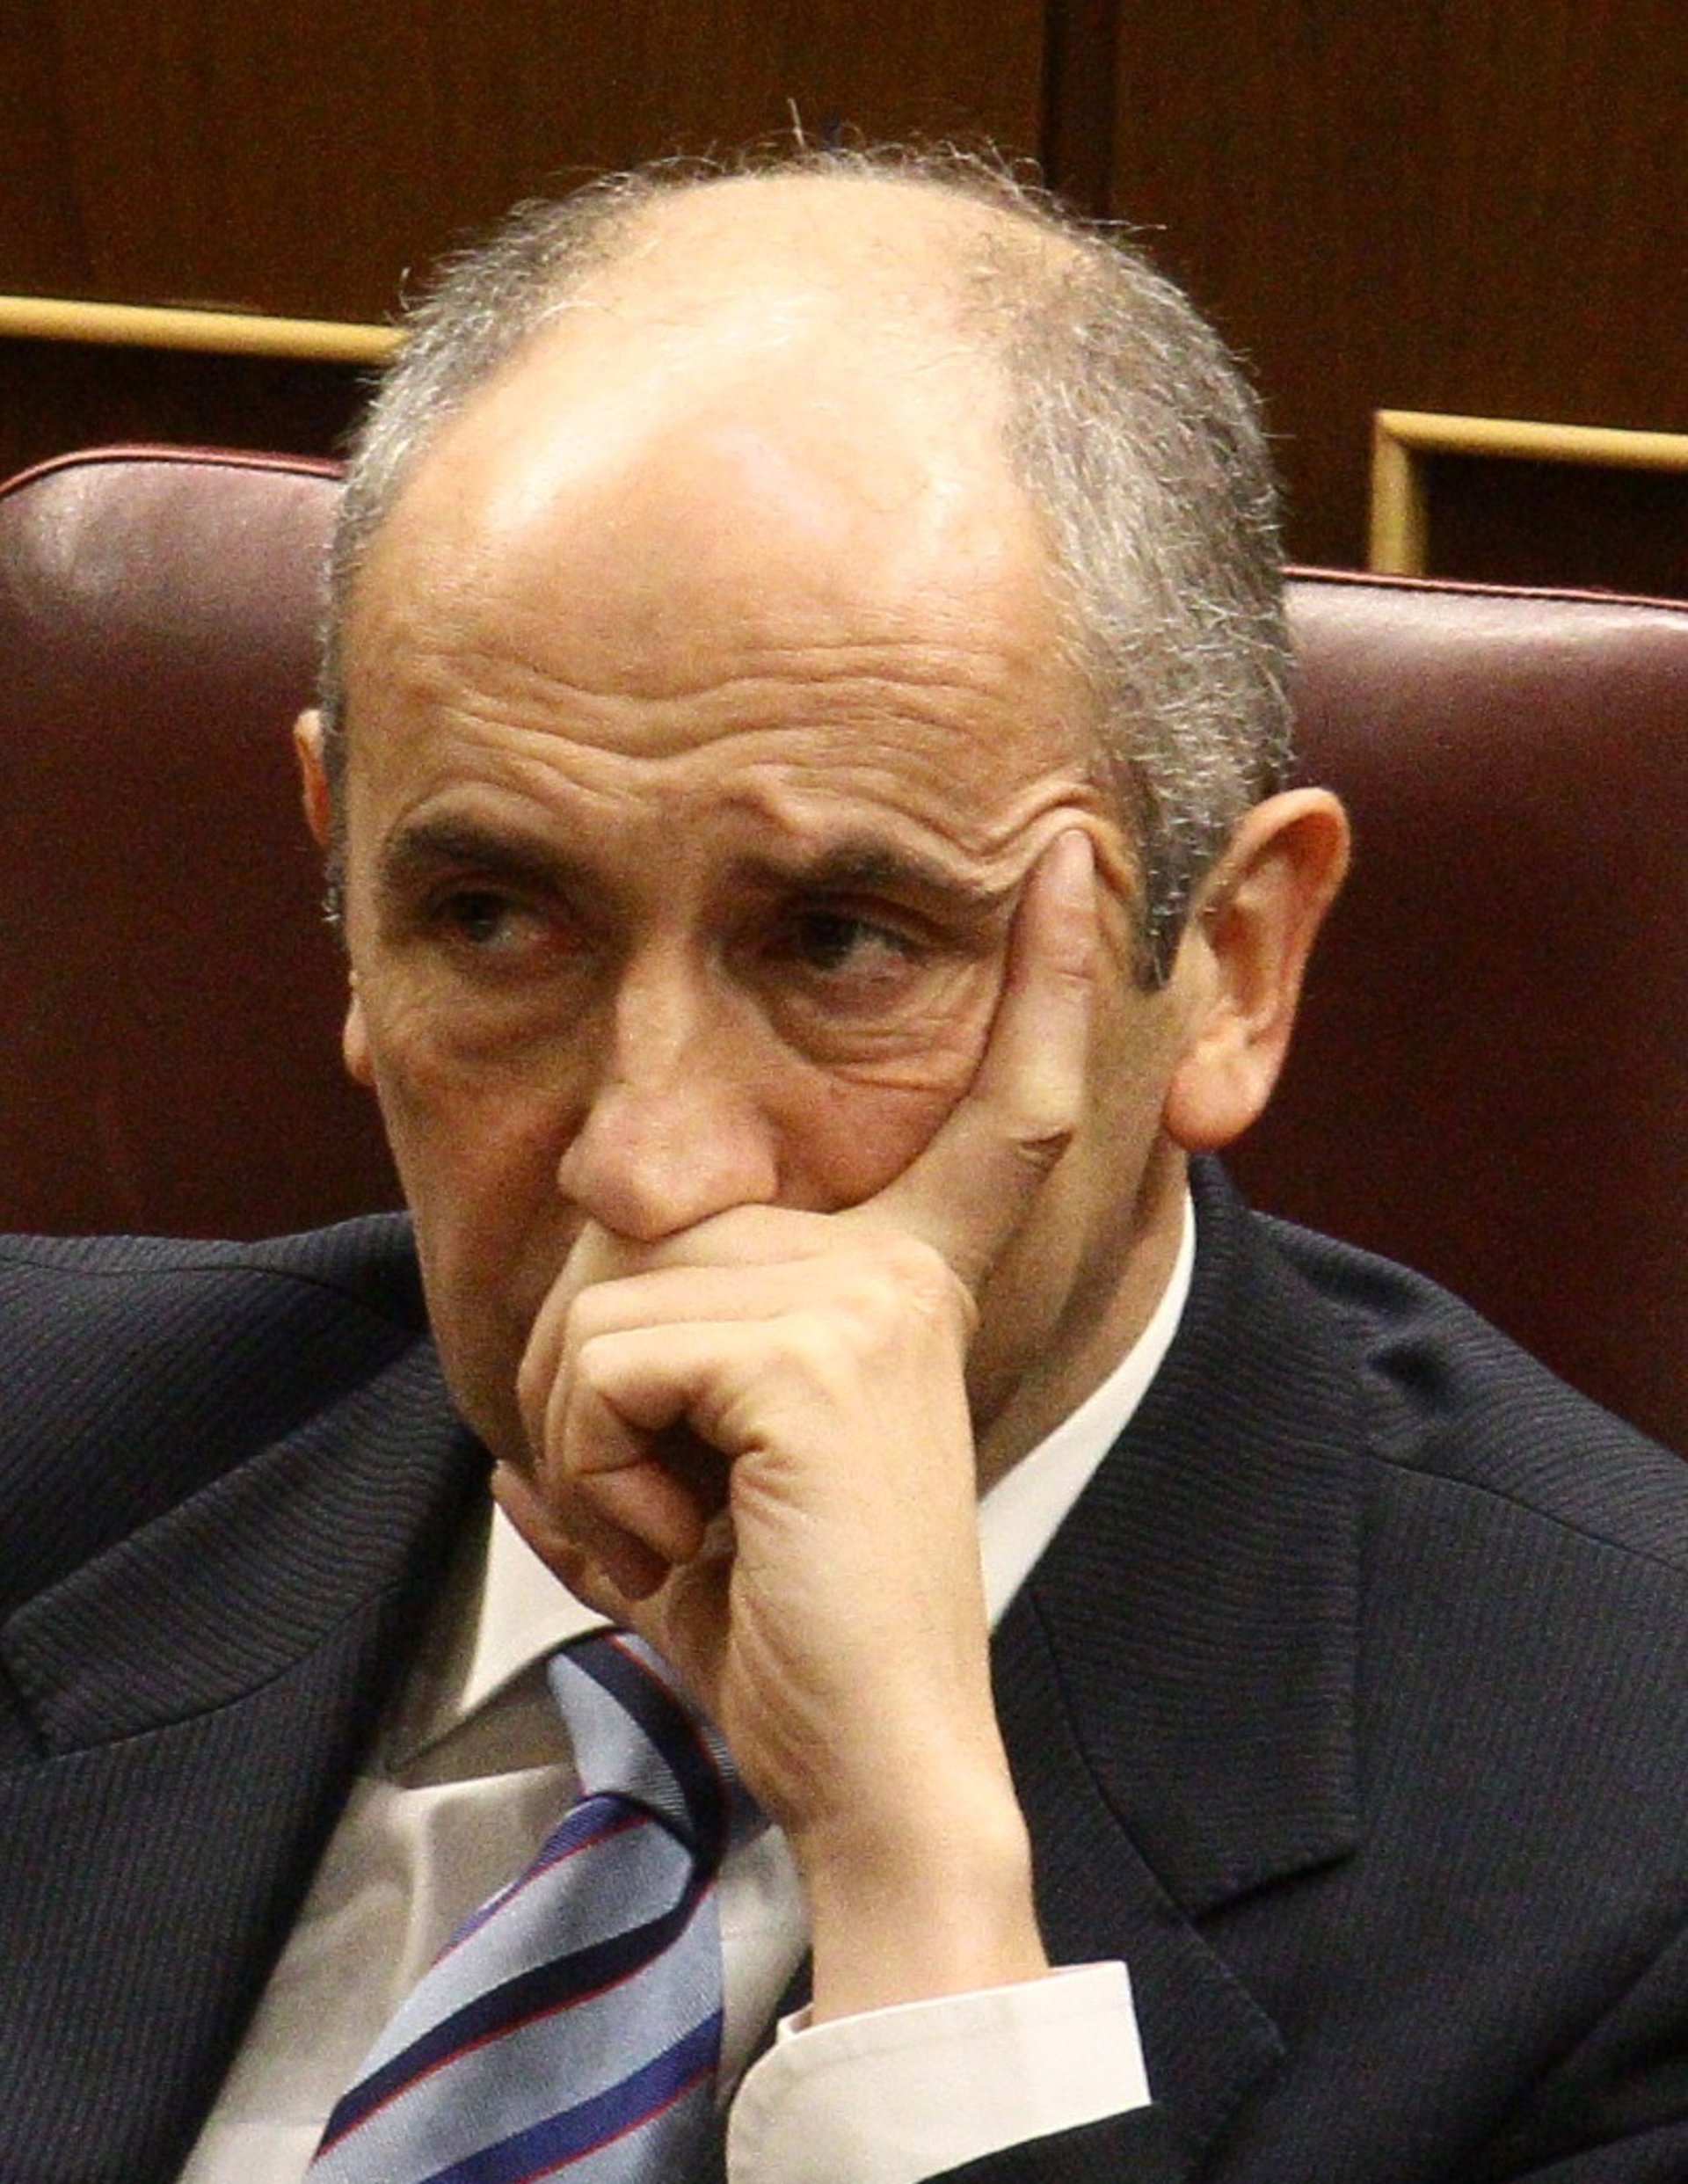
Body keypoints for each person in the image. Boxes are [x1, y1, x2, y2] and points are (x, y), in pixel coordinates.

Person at [6, 148, 1688, 2184]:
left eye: (844, 944)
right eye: (491, 917)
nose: (647, 1162)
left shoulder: (1627, 1869)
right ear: (342, 895)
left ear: (1231, 968)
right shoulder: (55, 1455)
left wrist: (920, 1895)